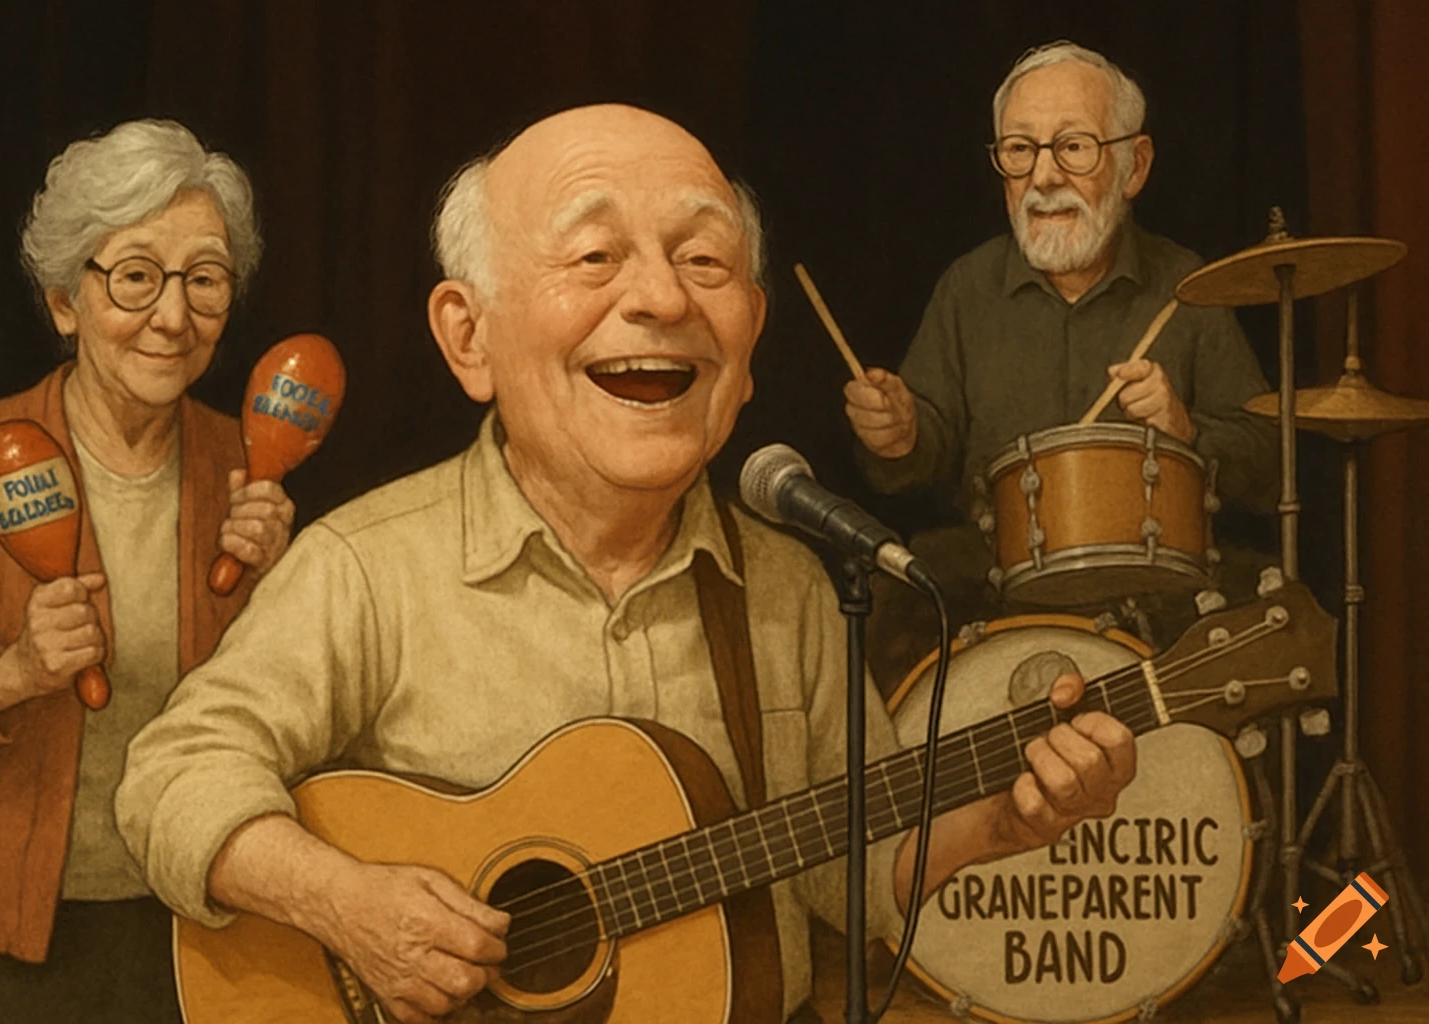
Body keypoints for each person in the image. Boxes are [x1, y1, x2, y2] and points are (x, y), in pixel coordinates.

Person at [115, 104, 1137, 1024]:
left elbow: (846, 875)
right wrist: (343, 903)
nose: (660, 297)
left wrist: (1002, 818)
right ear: (469, 337)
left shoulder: (792, 588)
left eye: (702, 261)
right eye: (595, 256)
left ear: (748, 344)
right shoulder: (363, 568)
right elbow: (170, 776)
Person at [0, 119, 296, 1022]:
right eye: (137, 276)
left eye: (205, 280)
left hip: (195, 915)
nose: (173, 316)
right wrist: (11, 672)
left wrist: (282, 589)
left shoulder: (246, 463)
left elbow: (291, 720)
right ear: (65, 302)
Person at [844, 41, 1279, 686]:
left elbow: (1269, 455)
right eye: (1020, 150)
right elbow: (924, 448)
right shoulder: (967, 287)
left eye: (1073, 147)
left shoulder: (1190, 287)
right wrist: (901, 432)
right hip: (994, 588)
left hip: (1159, 589)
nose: (1043, 177)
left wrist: (1187, 429)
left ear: (1135, 166)